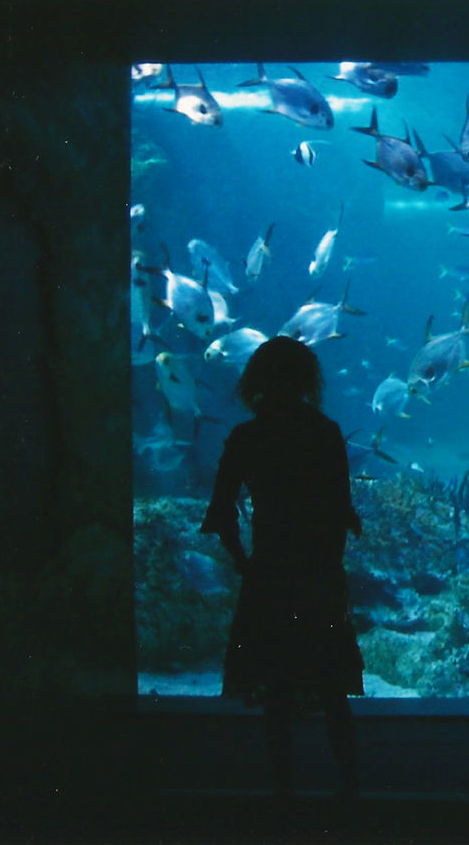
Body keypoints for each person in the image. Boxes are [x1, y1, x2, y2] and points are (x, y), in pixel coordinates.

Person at [200, 336, 364, 800]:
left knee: (275, 691)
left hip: (268, 579)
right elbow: (341, 512)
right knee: (332, 691)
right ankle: (353, 795)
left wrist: (245, 565)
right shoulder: (325, 432)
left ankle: (282, 798)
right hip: (318, 579)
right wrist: (329, 569)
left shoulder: (246, 437)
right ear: (307, 379)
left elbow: (221, 515)